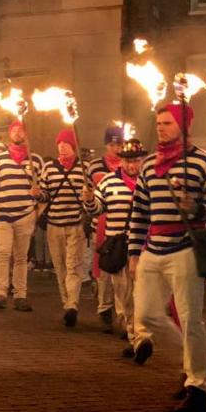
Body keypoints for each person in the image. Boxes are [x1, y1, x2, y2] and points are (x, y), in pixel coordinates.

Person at [127, 103, 206, 412]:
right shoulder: (148, 166)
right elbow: (140, 211)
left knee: (191, 319)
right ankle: (193, 360)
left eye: (167, 122)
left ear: (183, 126)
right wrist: (133, 252)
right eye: (158, 122)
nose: (160, 127)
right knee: (147, 315)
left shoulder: (203, 163)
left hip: (186, 247)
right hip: (153, 249)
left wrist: (196, 208)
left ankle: (198, 387)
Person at [84, 138, 146, 348]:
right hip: (119, 247)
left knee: (144, 294)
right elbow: (97, 209)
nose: (132, 165)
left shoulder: (149, 182)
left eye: (136, 161)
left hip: (144, 248)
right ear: (121, 161)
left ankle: (140, 336)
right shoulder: (108, 182)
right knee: (124, 296)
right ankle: (132, 334)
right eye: (128, 161)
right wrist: (89, 200)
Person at [0, 120, 43, 311]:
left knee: (21, 257)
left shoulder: (35, 160)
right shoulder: (0, 159)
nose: (18, 132)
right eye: (14, 130)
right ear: (10, 133)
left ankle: (20, 295)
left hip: (25, 214)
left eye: (21, 130)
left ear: (26, 133)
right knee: (3, 253)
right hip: (3, 212)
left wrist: (38, 199)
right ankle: (0, 292)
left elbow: (43, 189)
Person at [41, 129, 90, 328]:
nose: (62, 146)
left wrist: (88, 197)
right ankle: (66, 303)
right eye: (59, 142)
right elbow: (45, 194)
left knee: (73, 266)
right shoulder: (49, 168)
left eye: (66, 142)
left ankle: (72, 305)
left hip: (75, 225)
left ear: (74, 145)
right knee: (60, 267)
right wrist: (37, 193)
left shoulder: (84, 168)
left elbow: (90, 197)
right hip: (54, 225)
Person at [87, 126, 125, 330]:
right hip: (100, 223)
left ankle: (122, 313)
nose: (116, 149)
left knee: (120, 270)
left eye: (119, 144)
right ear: (106, 145)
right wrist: (87, 198)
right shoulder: (94, 166)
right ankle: (104, 307)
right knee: (104, 268)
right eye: (112, 145)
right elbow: (87, 193)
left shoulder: (128, 164)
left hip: (120, 225)